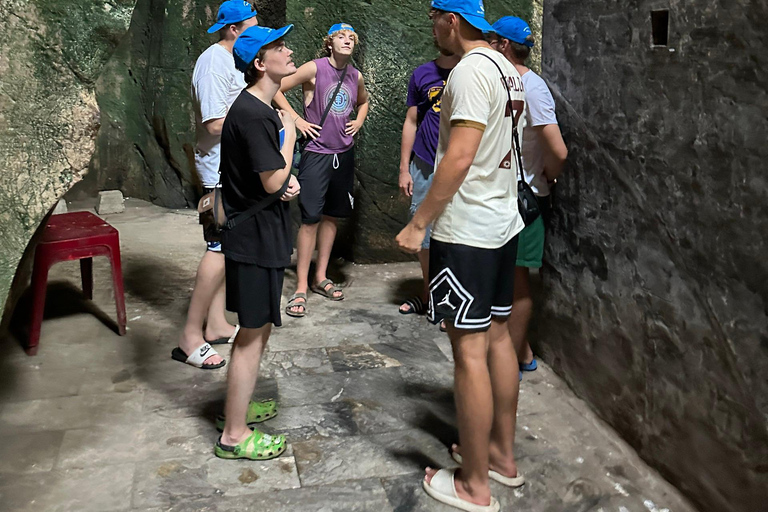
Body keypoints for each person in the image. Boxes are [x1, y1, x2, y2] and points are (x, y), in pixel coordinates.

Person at [396, 1, 527, 510]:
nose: (432, 27)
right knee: (499, 338)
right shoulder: (504, 66)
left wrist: (419, 223)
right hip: (502, 223)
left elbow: (461, 154)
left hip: (468, 229)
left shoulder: (470, 71)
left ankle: (474, 484)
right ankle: (500, 456)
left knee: (469, 353)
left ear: (451, 20)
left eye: (434, 17)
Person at [214, 24, 301, 460]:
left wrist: (284, 179)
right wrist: (289, 138)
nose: (288, 51)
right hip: (253, 240)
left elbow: (265, 178)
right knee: (250, 335)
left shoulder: (256, 108)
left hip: (258, 233)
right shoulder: (255, 114)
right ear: (260, 63)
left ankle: (238, 406)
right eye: (278, 47)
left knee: (258, 328)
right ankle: (233, 434)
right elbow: (270, 179)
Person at [173, 0, 259, 370]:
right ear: (233, 29)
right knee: (218, 248)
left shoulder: (237, 60)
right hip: (218, 172)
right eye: (252, 27)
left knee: (228, 248)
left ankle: (216, 323)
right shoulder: (212, 63)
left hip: (236, 169)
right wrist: (258, 120)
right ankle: (190, 337)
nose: (257, 33)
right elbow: (212, 124)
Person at [273, 23, 370, 318]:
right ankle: (301, 286)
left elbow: (364, 102)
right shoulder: (314, 68)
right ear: (329, 43)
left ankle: (320, 277)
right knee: (310, 219)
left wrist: (359, 120)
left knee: (331, 217)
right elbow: (277, 88)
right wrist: (296, 120)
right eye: (341, 37)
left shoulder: (355, 76)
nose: (347, 41)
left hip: (343, 154)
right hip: (316, 154)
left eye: (351, 38)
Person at [490, 16, 567, 377]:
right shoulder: (503, 80)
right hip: (501, 197)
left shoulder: (533, 88)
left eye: (493, 40)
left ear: (504, 45)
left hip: (525, 199)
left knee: (518, 283)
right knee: (506, 278)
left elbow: (559, 151)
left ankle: (512, 360)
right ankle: (520, 352)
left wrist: (546, 176)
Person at [397, 45, 460, 319]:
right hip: (424, 162)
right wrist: (404, 168)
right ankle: (429, 294)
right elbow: (411, 121)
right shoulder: (422, 74)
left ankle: (453, 299)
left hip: (456, 163)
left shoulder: (469, 71)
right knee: (423, 235)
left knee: (458, 231)